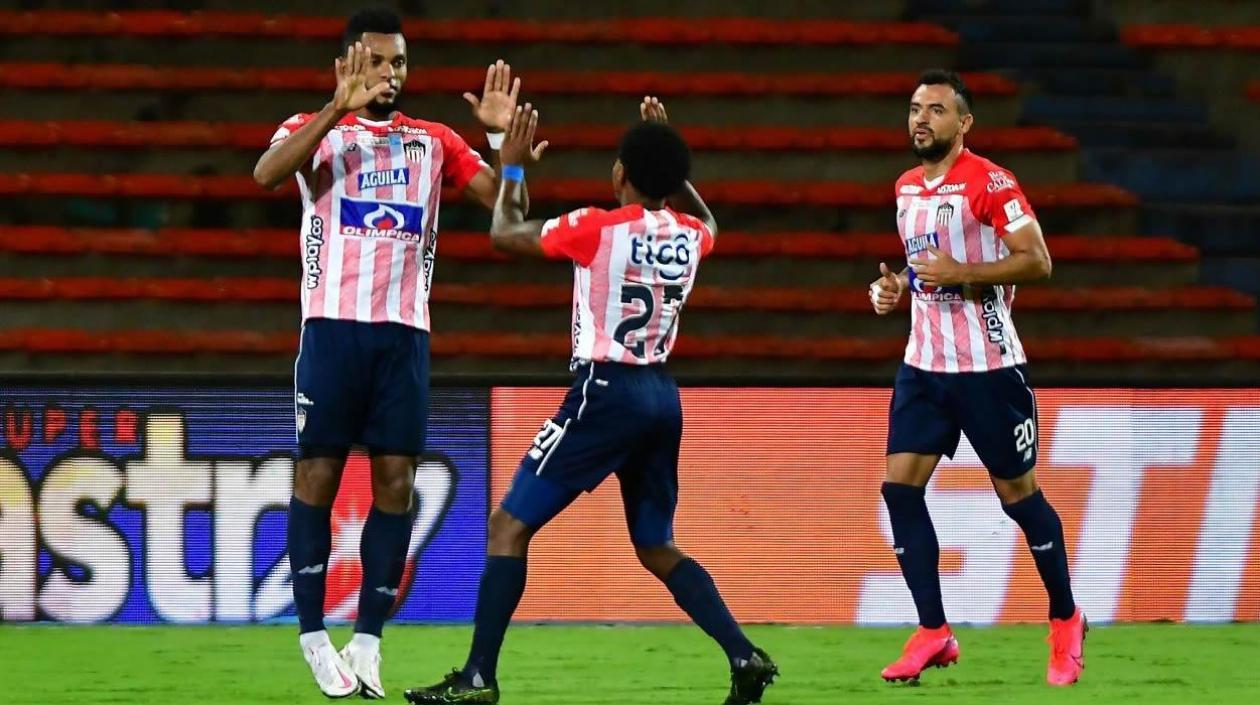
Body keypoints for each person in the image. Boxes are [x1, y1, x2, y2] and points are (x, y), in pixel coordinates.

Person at [402, 97, 778, 705]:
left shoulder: (597, 228)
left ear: (619, 174)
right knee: (656, 544)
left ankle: (478, 678)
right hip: (661, 395)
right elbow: (712, 226)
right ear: (673, 182)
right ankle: (744, 653)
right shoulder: (692, 237)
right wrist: (672, 166)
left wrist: (515, 166)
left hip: (605, 391)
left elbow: (504, 233)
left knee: (506, 526)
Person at [252, 7, 525, 699]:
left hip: (403, 336)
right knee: (315, 478)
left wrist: (502, 144)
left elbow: (509, 214)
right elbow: (265, 173)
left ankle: (368, 641)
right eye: (377, 61)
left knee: (397, 483)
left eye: (399, 62)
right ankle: (314, 634)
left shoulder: (431, 141)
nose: (390, 74)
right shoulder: (314, 132)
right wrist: (330, 111)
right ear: (348, 63)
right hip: (331, 332)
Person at [869, 69, 1086, 686]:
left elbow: (1037, 261)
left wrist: (961, 272)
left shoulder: (991, 183)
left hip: (989, 369)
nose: (921, 120)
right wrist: (895, 289)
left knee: (1019, 498)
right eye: (914, 108)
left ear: (963, 124)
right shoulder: (907, 188)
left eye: (936, 110)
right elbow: (923, 274)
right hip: (923, 367)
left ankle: (1066, 619)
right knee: (899, 490)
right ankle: (933, 632)